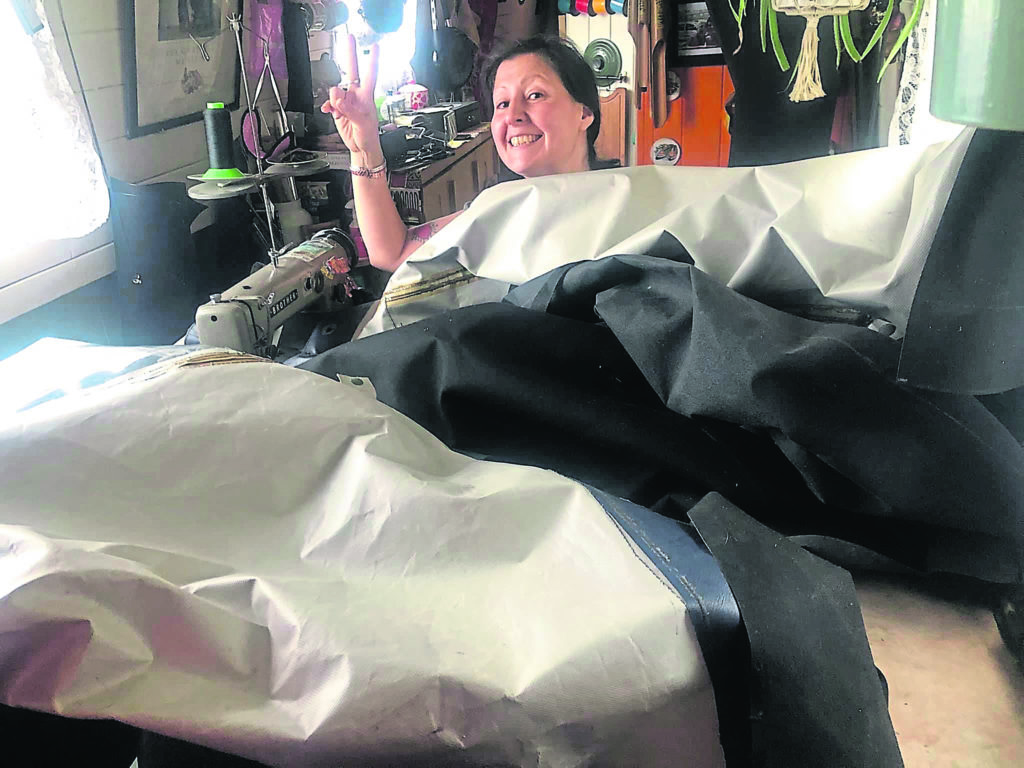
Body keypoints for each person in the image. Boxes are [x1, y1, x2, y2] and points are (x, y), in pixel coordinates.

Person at [321, 34, 601, 272]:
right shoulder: (497, 214)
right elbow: (393, 253)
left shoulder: (626, 204)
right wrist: (364, 147)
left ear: (584, 113)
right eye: (502, 103)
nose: (513, 115)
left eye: (535, 95)